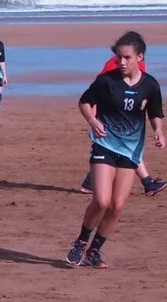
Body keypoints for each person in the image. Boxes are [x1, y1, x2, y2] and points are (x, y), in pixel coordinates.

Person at [65, 31, 164, 269]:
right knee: (101, 200)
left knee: (117, 206)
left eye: (127, 57)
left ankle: (94, 252)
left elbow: (155, 113)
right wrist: (92, 121)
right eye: (119, 57)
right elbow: (84, 102)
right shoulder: (106, 81)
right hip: (105, 144)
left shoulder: (150, 85)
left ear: (139, 57)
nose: (121, 62)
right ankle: (80, 242)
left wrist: (159, 131)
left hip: (130, 151)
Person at [79, 52, 165, 196]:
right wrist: (93, 118)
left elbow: (140, 90)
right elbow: (100, 89)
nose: (123, 62)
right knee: (123, 150)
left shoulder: (141, 73)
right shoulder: (114, 67)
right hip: (109, 115)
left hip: (122, 117)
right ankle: (148, 183)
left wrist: (158, 129)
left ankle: (148, 183)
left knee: (125, 150)